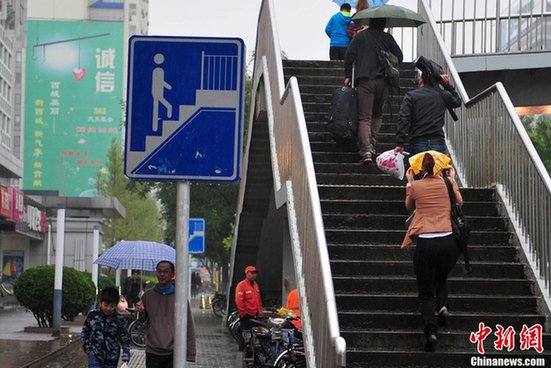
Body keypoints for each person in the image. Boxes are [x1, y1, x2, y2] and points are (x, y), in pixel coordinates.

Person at [401, 152, 462, 352]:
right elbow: (459, 203)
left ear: (422, 168)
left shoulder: (417, 186)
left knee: (426, 291)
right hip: (448, 241)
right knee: (441, 276)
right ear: (442, 168)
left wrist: (410, 183)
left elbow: (409, 206)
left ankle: (430, 331)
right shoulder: (447, 184)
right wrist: (452, 180)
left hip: (426, 243)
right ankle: (442, 307)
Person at [344, 17, 403, 164]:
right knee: (377, 114)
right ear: (384, 24)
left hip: (365, 81)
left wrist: (347, 75)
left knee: (364, 117)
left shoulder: (361, 37)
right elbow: (400, 57)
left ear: (370, 22)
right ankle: (373, 143)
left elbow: (349, 56)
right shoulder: (387, 38)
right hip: (384, 82)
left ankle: (366, 151)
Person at [136, 260, 196, 367]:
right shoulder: (148, 296)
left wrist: (190, 353)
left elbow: (189, 325)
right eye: (159, 271)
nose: (162, 274)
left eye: (166, 272)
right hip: (152, 351)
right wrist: (140, 311)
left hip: (173, 352)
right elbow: (142, 321)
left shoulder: (180, 297)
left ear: (173, 274)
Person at [395, 64, 462, 157]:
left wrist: (400, 142)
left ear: (422, 79)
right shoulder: (443, 95)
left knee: (417, 170)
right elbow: (457, 102)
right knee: (438, 170)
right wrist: (447, 85)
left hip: (418, 141)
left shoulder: (411, 96)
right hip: (437, 142)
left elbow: (404, 118)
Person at [82, 286, 130, 368]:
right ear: (100, 302)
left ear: (116, 305)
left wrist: (126, 355)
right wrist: (87, 348)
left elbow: (124, 338)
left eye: (112, 306)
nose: (108, 308)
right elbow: (85, 332)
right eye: (106, 305)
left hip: (112, 358)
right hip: (95, 355)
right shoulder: (92, 315)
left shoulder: (119, 319)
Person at [235, 265, 263, 345]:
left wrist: (260, 311)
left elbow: (258, 299)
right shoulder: (241, 285)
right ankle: (243, 351)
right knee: (245, 336)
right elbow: (239, 301)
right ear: (247, 274)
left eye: (255, 273)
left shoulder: (255, 285)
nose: (254, 275)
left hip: (256, 315)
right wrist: (244, 313)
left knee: (254, 336)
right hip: (247, 316)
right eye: (252, 273)